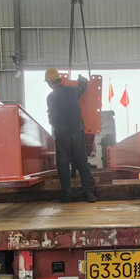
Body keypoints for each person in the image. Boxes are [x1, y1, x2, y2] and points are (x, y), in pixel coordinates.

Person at [45, 68, 98, 203]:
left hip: (62, 135)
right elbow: (83, 86)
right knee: (82, 162)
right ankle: (89, 193)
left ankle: (67, 194)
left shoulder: (50, 98)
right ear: (59, 79)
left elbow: (51, 119)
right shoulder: (73, 91)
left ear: (49, 83)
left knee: (63, 165)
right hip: (77, 132)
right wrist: (81, 80)